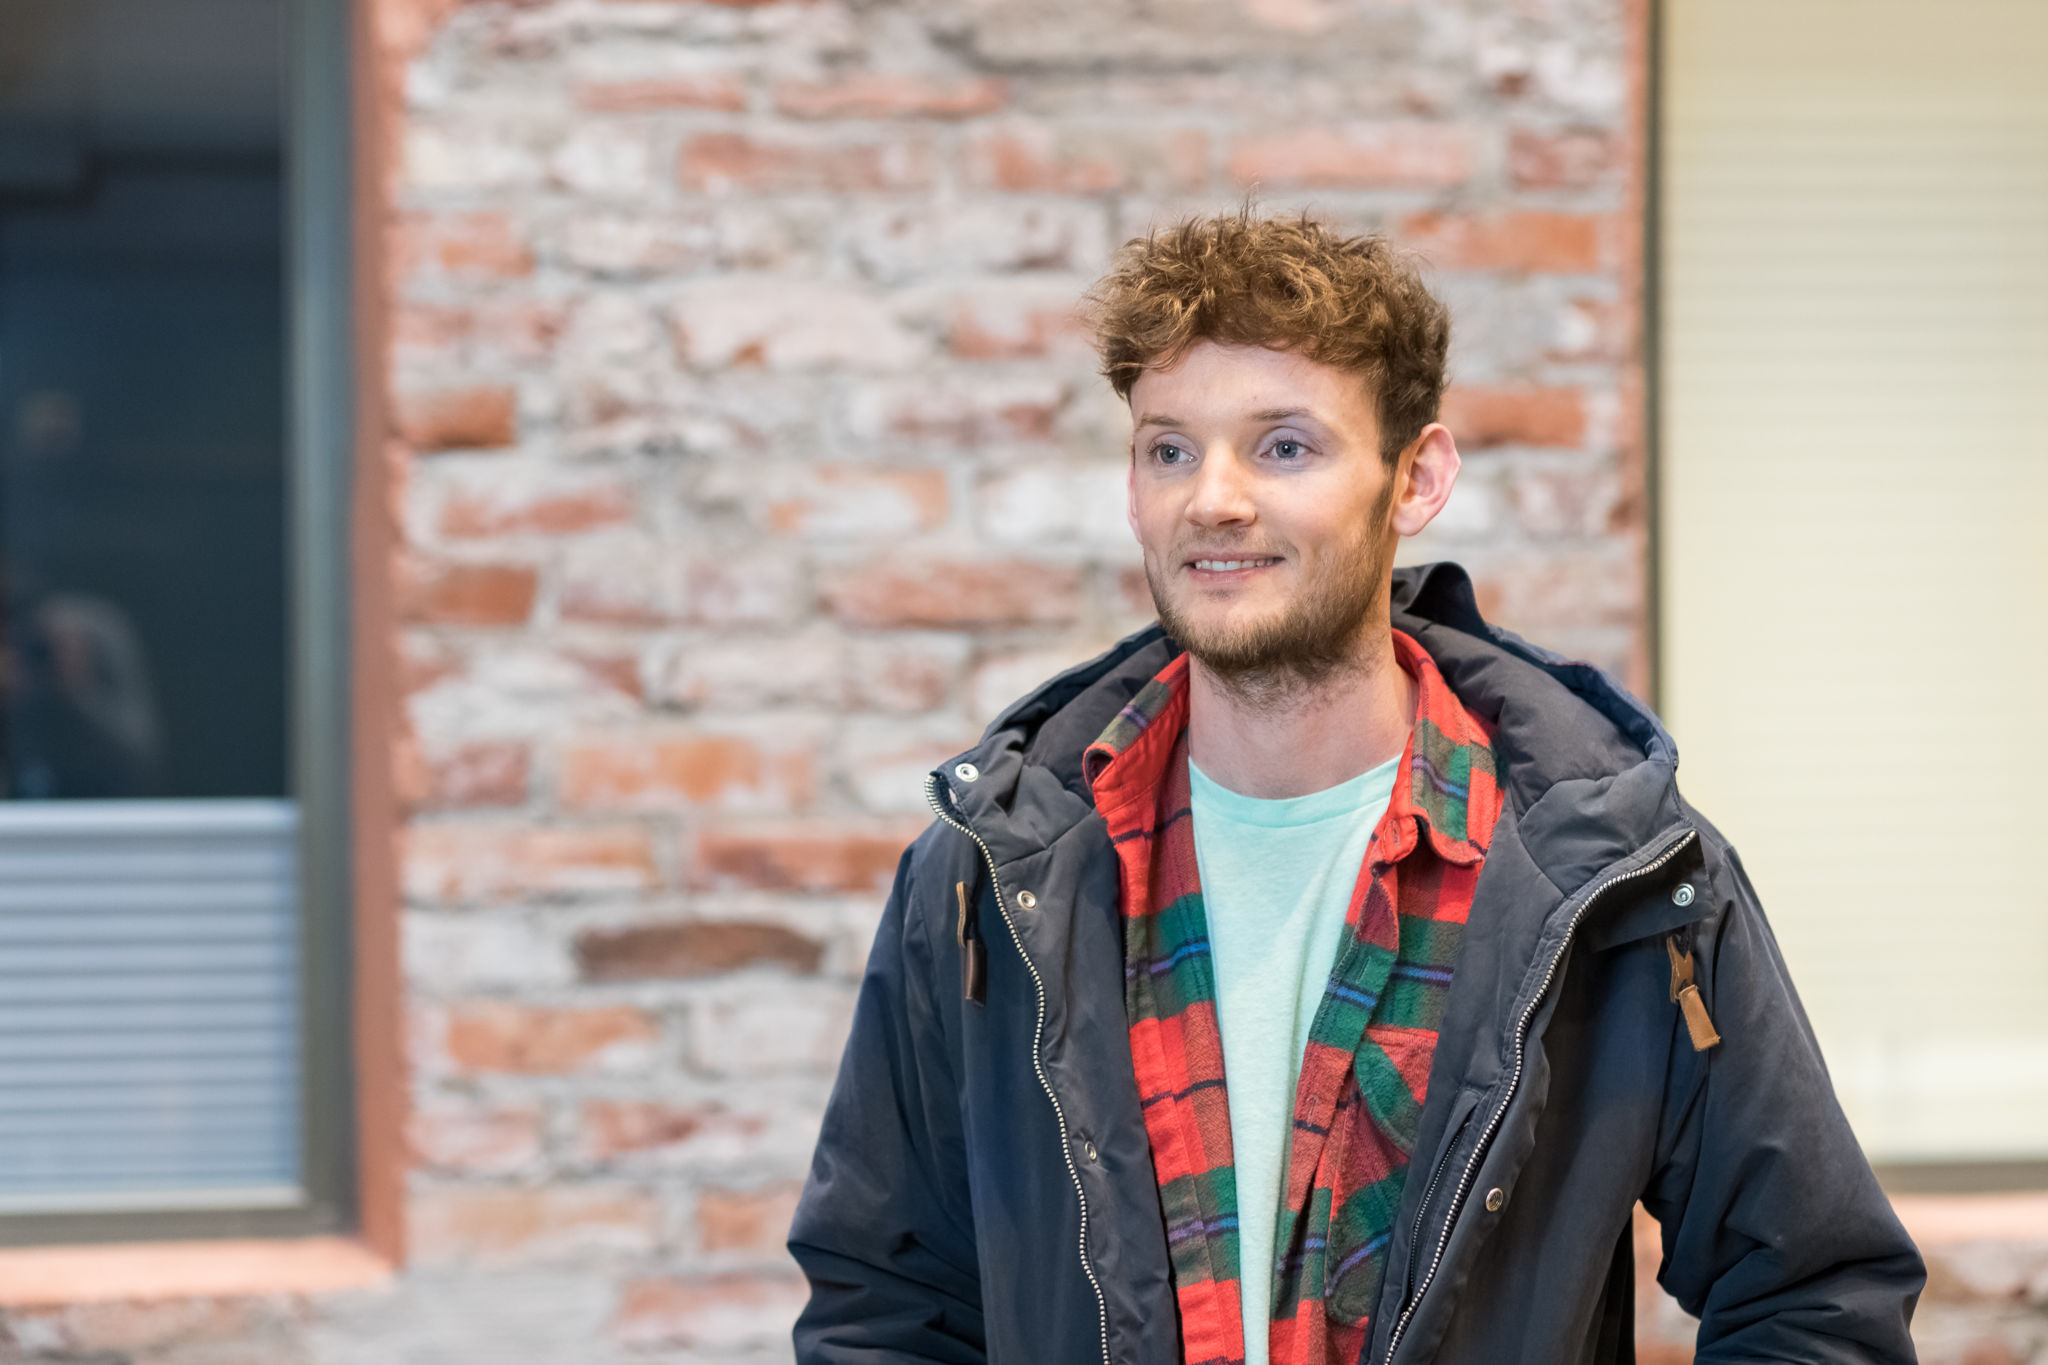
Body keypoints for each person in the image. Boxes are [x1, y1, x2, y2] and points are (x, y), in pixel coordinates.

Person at [787, 207, 1924, 1365]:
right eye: (1169, 450)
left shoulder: (1615, 877)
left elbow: (1813, 1298)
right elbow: (886, 1305)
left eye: (1282, 447)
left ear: (1414, 478)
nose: (1212, 498)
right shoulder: (988, 876)